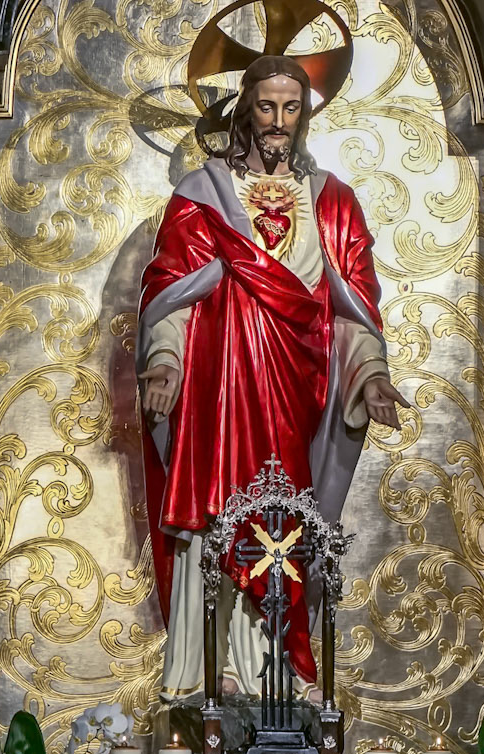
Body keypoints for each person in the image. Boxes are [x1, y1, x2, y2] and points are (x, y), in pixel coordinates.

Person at [137, 50, 407, 698]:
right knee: (220, 508)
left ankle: (283, 665)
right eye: (267, 106)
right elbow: (174, 293)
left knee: (287, 523)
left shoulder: (334, 203)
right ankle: (222, 667)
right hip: (221, 388)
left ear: (305, 116)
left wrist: (370, 375)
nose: (278, 121)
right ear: (245, 110)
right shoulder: (202, 196)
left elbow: (353, 307)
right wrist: (164, 363)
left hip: (296, 389)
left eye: (292, 108)